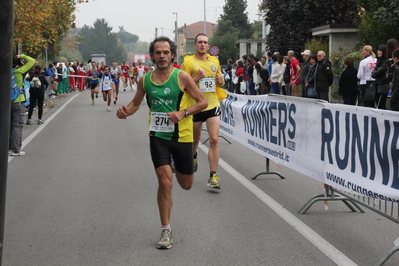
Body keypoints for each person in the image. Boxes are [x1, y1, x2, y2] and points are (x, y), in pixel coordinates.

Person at [116, 36, 207, 249]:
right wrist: (125, 112)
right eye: (158, 52)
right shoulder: (145, 80)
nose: (162, 56)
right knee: (165, 182)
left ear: (172, 54)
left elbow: (202, 102)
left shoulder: (182, 77)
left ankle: (188, 160)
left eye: (166, 52)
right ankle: (166, 229)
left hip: (183, 137)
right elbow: (136, 104)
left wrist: (183, 112)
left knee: (186, 185)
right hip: (158, 137)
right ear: (152, 55)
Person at [181, 33, 225, 189]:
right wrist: (195, 79)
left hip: (212, 105)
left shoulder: (214, 61)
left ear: (208, 46)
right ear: (195, 45)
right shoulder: (188, 62)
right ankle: (193, 156)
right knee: (195, 139)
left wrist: (221, 81)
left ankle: (213, 176)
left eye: (205, 42)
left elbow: (219, 80)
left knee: (214, 139)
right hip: (195, 106)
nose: (202, 44)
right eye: (199, 42)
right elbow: (182, 85)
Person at [10, 54, 35, 156]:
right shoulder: (19, 72)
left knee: (7, 125)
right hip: (18, 101)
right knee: (17, 125)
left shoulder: (4, 72)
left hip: (5, 102)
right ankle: (15, 149)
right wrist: (22, 56)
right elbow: (32, 61)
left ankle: (6, 147)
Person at [371, 44, 390, 109]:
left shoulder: (386, 61)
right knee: (378, 103)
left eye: (380, 50)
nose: (378, 52)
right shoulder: (378, 61)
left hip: (383, 84)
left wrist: (376, 71)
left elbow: (377, 72)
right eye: (378, 50)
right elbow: (374, 73)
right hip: (377, 84)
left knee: (381, 104)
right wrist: (375, 72)